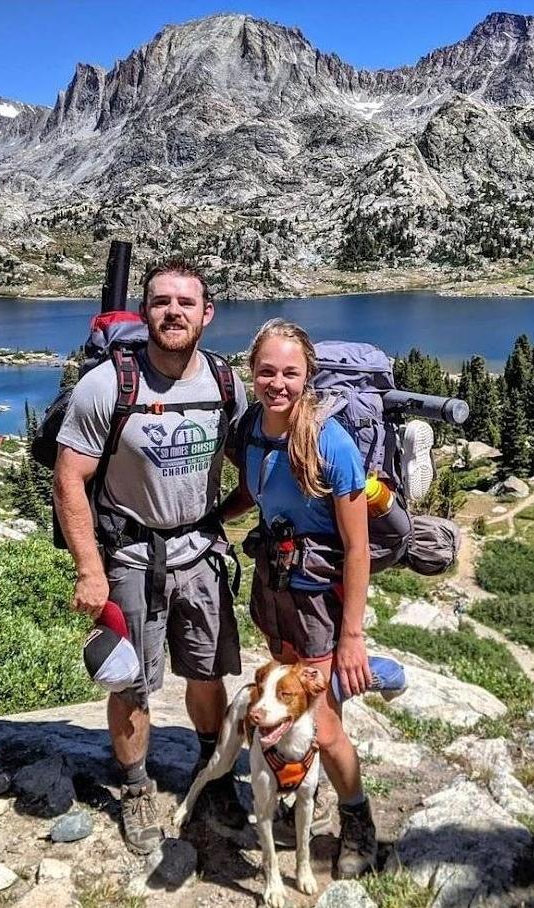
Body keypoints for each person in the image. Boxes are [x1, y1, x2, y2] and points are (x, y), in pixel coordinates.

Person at [53, 256, 248, 855]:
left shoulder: (222, 381)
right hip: (131, 558)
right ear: (145, 313)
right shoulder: (108, 384)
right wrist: (90, 569)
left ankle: (211, 774)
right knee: (131, 683)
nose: (174, 312)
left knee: (207, 672)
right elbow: (69, 480)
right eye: (162, 302)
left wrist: (233, 511)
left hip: (200, 550)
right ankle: (136, 788)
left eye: (186, 303)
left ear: (206, 314)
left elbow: (256, 451)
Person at [224, 317, 378, 877]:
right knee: (283, 703)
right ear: (252, 373)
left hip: (318, 605)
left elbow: (357, 550)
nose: (278, 383)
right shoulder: (252, 430)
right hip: (275, 591)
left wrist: (352, 637)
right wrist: (210, 519)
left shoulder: (329, 442)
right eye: (267, 371)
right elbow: (253, 488)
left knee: (325, 726)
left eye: (291, 372)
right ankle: (295, 789)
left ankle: (358, 820)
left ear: (307, 374)